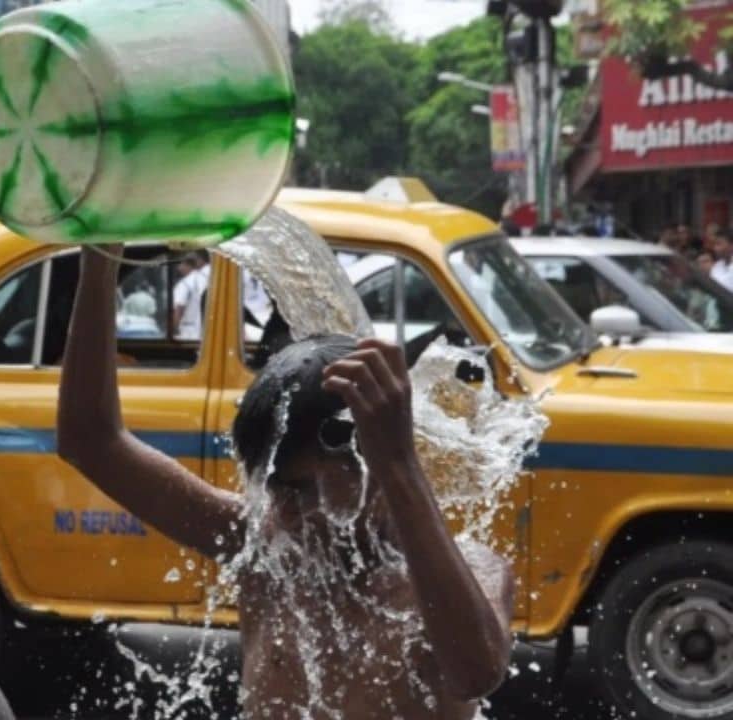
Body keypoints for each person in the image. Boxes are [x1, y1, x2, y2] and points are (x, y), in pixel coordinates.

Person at [57, 246, 513, 719]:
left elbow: (476, 672)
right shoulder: (264, 548)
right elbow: (91, 442)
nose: (285, 511)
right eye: (274, 491)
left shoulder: (473, 571)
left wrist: (400, 462)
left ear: (372, 467)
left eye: (303, 489)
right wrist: (99, 267)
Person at [172, 251, 209, 341]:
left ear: (188, 265)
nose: (179, 268)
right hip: (205, 332)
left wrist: (173, 329)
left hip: (187, 334)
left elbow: (179, 308)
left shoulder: (185, 283)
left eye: (180, 264)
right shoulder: (206, 280)